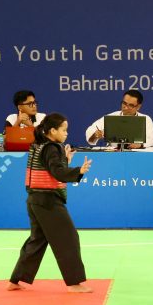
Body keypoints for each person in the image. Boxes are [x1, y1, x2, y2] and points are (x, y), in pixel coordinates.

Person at [8, 113, 94, 293]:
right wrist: (79, 171)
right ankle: (74, 283)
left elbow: (50, 167)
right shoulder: (52, 148)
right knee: (68, 238)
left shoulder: (38, 145)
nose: (66, 133)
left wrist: (66, 160)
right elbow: (57, 172)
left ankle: (16, 280)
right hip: (48, 201)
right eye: (63, 130)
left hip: (34, 199)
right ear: (53, 131)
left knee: (37, 241)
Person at [84, 89, 153, 148]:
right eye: (124, 103)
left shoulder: (146, 119)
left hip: (137, 155)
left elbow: (152, 140)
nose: (126, 107)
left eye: (131, 105)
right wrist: (95, 135)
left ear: (138, 107)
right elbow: (91, 130)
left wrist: (140, 144)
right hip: (114, 155)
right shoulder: (112, 117)